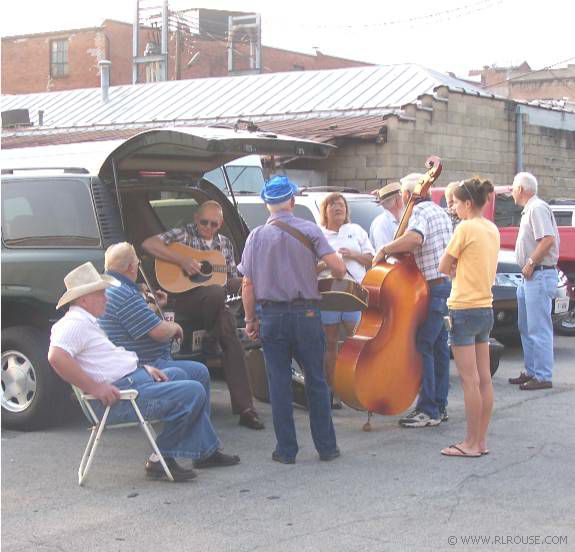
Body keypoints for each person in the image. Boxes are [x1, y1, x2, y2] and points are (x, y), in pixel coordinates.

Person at [47, 262, 240, 483]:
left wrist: (142, 368)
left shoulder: (87, 321)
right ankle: (160, 457)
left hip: (132, 381)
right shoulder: (74, 324)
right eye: (101, 294)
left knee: (185, 374)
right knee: (193, 392)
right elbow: (56, 356)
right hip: (120, 397)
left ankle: (201, 451)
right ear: (84, 299)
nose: (106, 298)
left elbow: (105, 361)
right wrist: (95, 388)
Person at [239, 175, 346, 464]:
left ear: (266, 205)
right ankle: (327, 448)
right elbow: (339, 269)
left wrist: (250, 319)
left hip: (271, 316)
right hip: (307, 313)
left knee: (279, 383)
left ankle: (286, 451)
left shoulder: (255, 237)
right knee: (316, 380)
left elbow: (247, 284)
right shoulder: (309, 229)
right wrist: (317, 264)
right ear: (293, 201)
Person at [142, 200, 264, 429]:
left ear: (221, 224)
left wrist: (249, 283)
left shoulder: (224, 243)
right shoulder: (182, 234)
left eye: (214, 224)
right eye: (204, 222)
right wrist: (182, 260)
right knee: (217, 298)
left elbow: (225, 279)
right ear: (196, 219)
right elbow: (149, 244)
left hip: (214, 303)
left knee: (229, 332)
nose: (209, 227)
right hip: (183, 299)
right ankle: (211, 335)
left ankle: (246, 409)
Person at [373, 172, 452, 427]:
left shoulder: (419, 212)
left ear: (407, 195)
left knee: (423, 346)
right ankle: (439, 405)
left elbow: (416, 237)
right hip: (442, 284)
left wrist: (386, 248)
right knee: (439, 347)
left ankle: (428, 409)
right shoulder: (440, 211)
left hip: (430, 287)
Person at [99, 242, 212, 410]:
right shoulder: (124, 293)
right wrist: (174, 327)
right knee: (199, 372)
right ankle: (191, 427)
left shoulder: (109, 286)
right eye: (137, 264)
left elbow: (136, 318)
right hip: (144, 363)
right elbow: (159, 332)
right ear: (131, 267)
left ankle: (191, 428)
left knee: (190, 372)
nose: (138, 268)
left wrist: (154, 306)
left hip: (133, 361)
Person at [438, 177, 499, 457]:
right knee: (484, 378)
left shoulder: (465, 227)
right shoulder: (492, 228)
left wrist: (455, 268)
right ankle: (482, 441)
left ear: (468, 203)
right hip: (485, 306)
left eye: (456, 204)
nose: (454, 208)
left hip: (463, 306)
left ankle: (470, 443)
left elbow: (443, 265)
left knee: (468, 380)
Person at [317, 192, 374, 409]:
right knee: (330, 344)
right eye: (332, 206)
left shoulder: (356, 231)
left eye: (341, 205)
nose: (338, 208)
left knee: (356, 342)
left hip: (353, 293)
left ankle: (358, 388)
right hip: (328, 294)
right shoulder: (319, 234)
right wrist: (325, 265)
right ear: (326, 211)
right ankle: (332, 392)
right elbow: (309, 268)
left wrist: (351, 255)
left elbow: (371, 259)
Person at [508, 172, 560, 390]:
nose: (511, 191)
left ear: (521, 189)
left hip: (538, 274)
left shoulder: (536, 208)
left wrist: (530, 262)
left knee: (538, 327)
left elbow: (547, 239)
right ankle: (532, 370)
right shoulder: (530, 208)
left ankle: (542, 375)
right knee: (526, 326)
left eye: (513, 187)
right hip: (530, 276)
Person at [369, 182, 403, 249]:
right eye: (402, 197)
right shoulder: (381, 224)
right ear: (397, 201)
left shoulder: (400, 219)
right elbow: (384, 254)